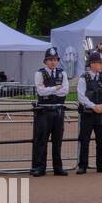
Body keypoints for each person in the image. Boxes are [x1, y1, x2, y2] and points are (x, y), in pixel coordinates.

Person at [32, 47, 69, 177]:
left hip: (58, 110)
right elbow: (40, 91)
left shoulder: (62, 73)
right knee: (42, 140)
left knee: (57, 140)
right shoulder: (39, 73)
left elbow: (65, 91)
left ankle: (58, 167)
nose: (53, 62)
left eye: (55, 60)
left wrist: (49, 89)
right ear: (45, 61)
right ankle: (39, 167)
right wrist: (55, 88)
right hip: (44, 111)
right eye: (50, 60)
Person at [75, 51, 102, 174]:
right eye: (100, 63)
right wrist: (93, 106)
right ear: (92, 64)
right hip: (87, 114)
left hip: (100, 114)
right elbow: (81, 96)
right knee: (84, 140)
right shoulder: (83, 78)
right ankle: (83, 166)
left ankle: (101, 165)